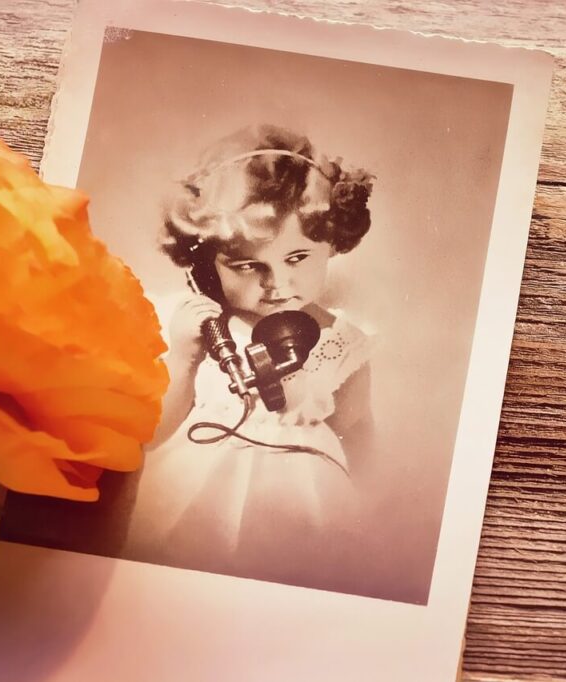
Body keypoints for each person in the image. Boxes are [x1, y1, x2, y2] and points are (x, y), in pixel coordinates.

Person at [122, 125, 376, 585]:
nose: (276, 284)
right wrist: (182, 356)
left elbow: (359, 437)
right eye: (247, 265)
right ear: (205, 265)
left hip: (306, 511)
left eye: (297, 258)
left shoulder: (343, 340)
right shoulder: (194, 328)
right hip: (194, 501)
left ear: (332, 244)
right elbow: (149, 436)